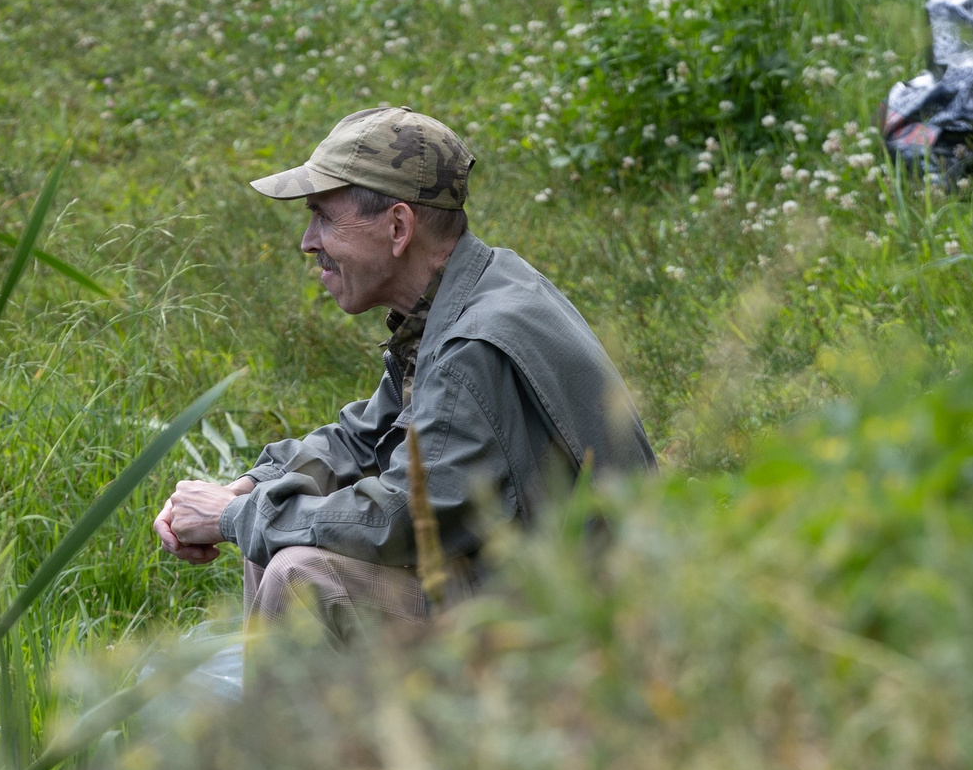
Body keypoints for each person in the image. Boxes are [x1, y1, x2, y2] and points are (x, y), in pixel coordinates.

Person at [153, 107, 656, 643]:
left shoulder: (472, 346)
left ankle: (307, 729)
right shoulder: (467, 292)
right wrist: (253, 485)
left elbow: (403, 519)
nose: (307, 241)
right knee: (278, 538)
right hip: (529, 580)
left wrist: (236, 517)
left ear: (398, 227)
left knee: (302, 576)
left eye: (324, 217)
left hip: (583, 632)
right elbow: (365, 439)